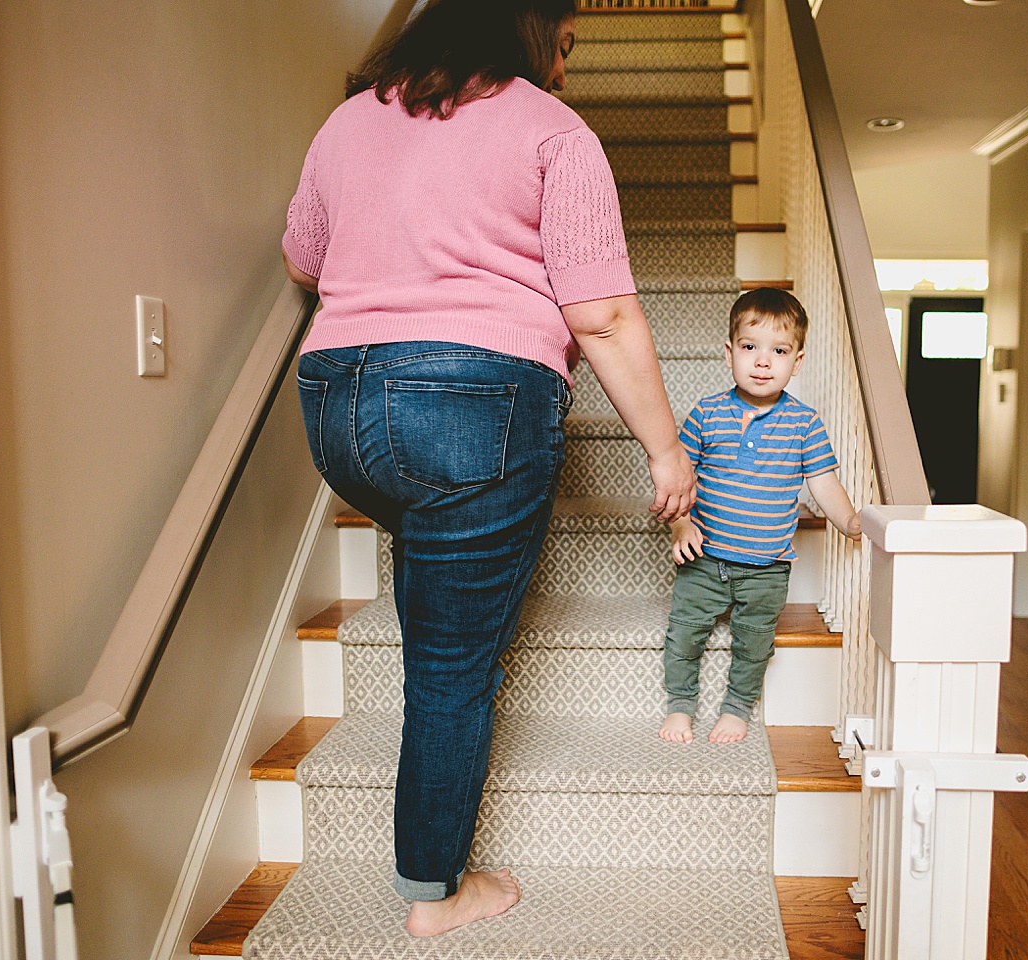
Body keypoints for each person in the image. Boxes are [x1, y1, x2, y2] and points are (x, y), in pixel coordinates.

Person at [281, 0, 695, 938]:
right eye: (566, 43)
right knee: (453, 664)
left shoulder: (347, 121)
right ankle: (436, 892)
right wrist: (665, 448)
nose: (568, 63)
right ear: (527, 30)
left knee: (433, 537)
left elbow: (302, 255)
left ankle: (437, 570)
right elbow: (604, 315)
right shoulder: (553, 128)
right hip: (474, 402)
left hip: (337, 407)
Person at [658, 289, 861, 745]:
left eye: (779, 351)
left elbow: (823, 482)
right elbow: (676, 479)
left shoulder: (804, 423)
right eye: (750, 348)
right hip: (705, 558)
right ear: (730, 352)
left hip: (768, 566)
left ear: (798, 361)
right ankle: (681, 705)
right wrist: (680, 523)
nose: (763, 362)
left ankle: (736, 708)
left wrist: (848, 521)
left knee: (753, 644)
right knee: (684, 634)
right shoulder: (706, 414)